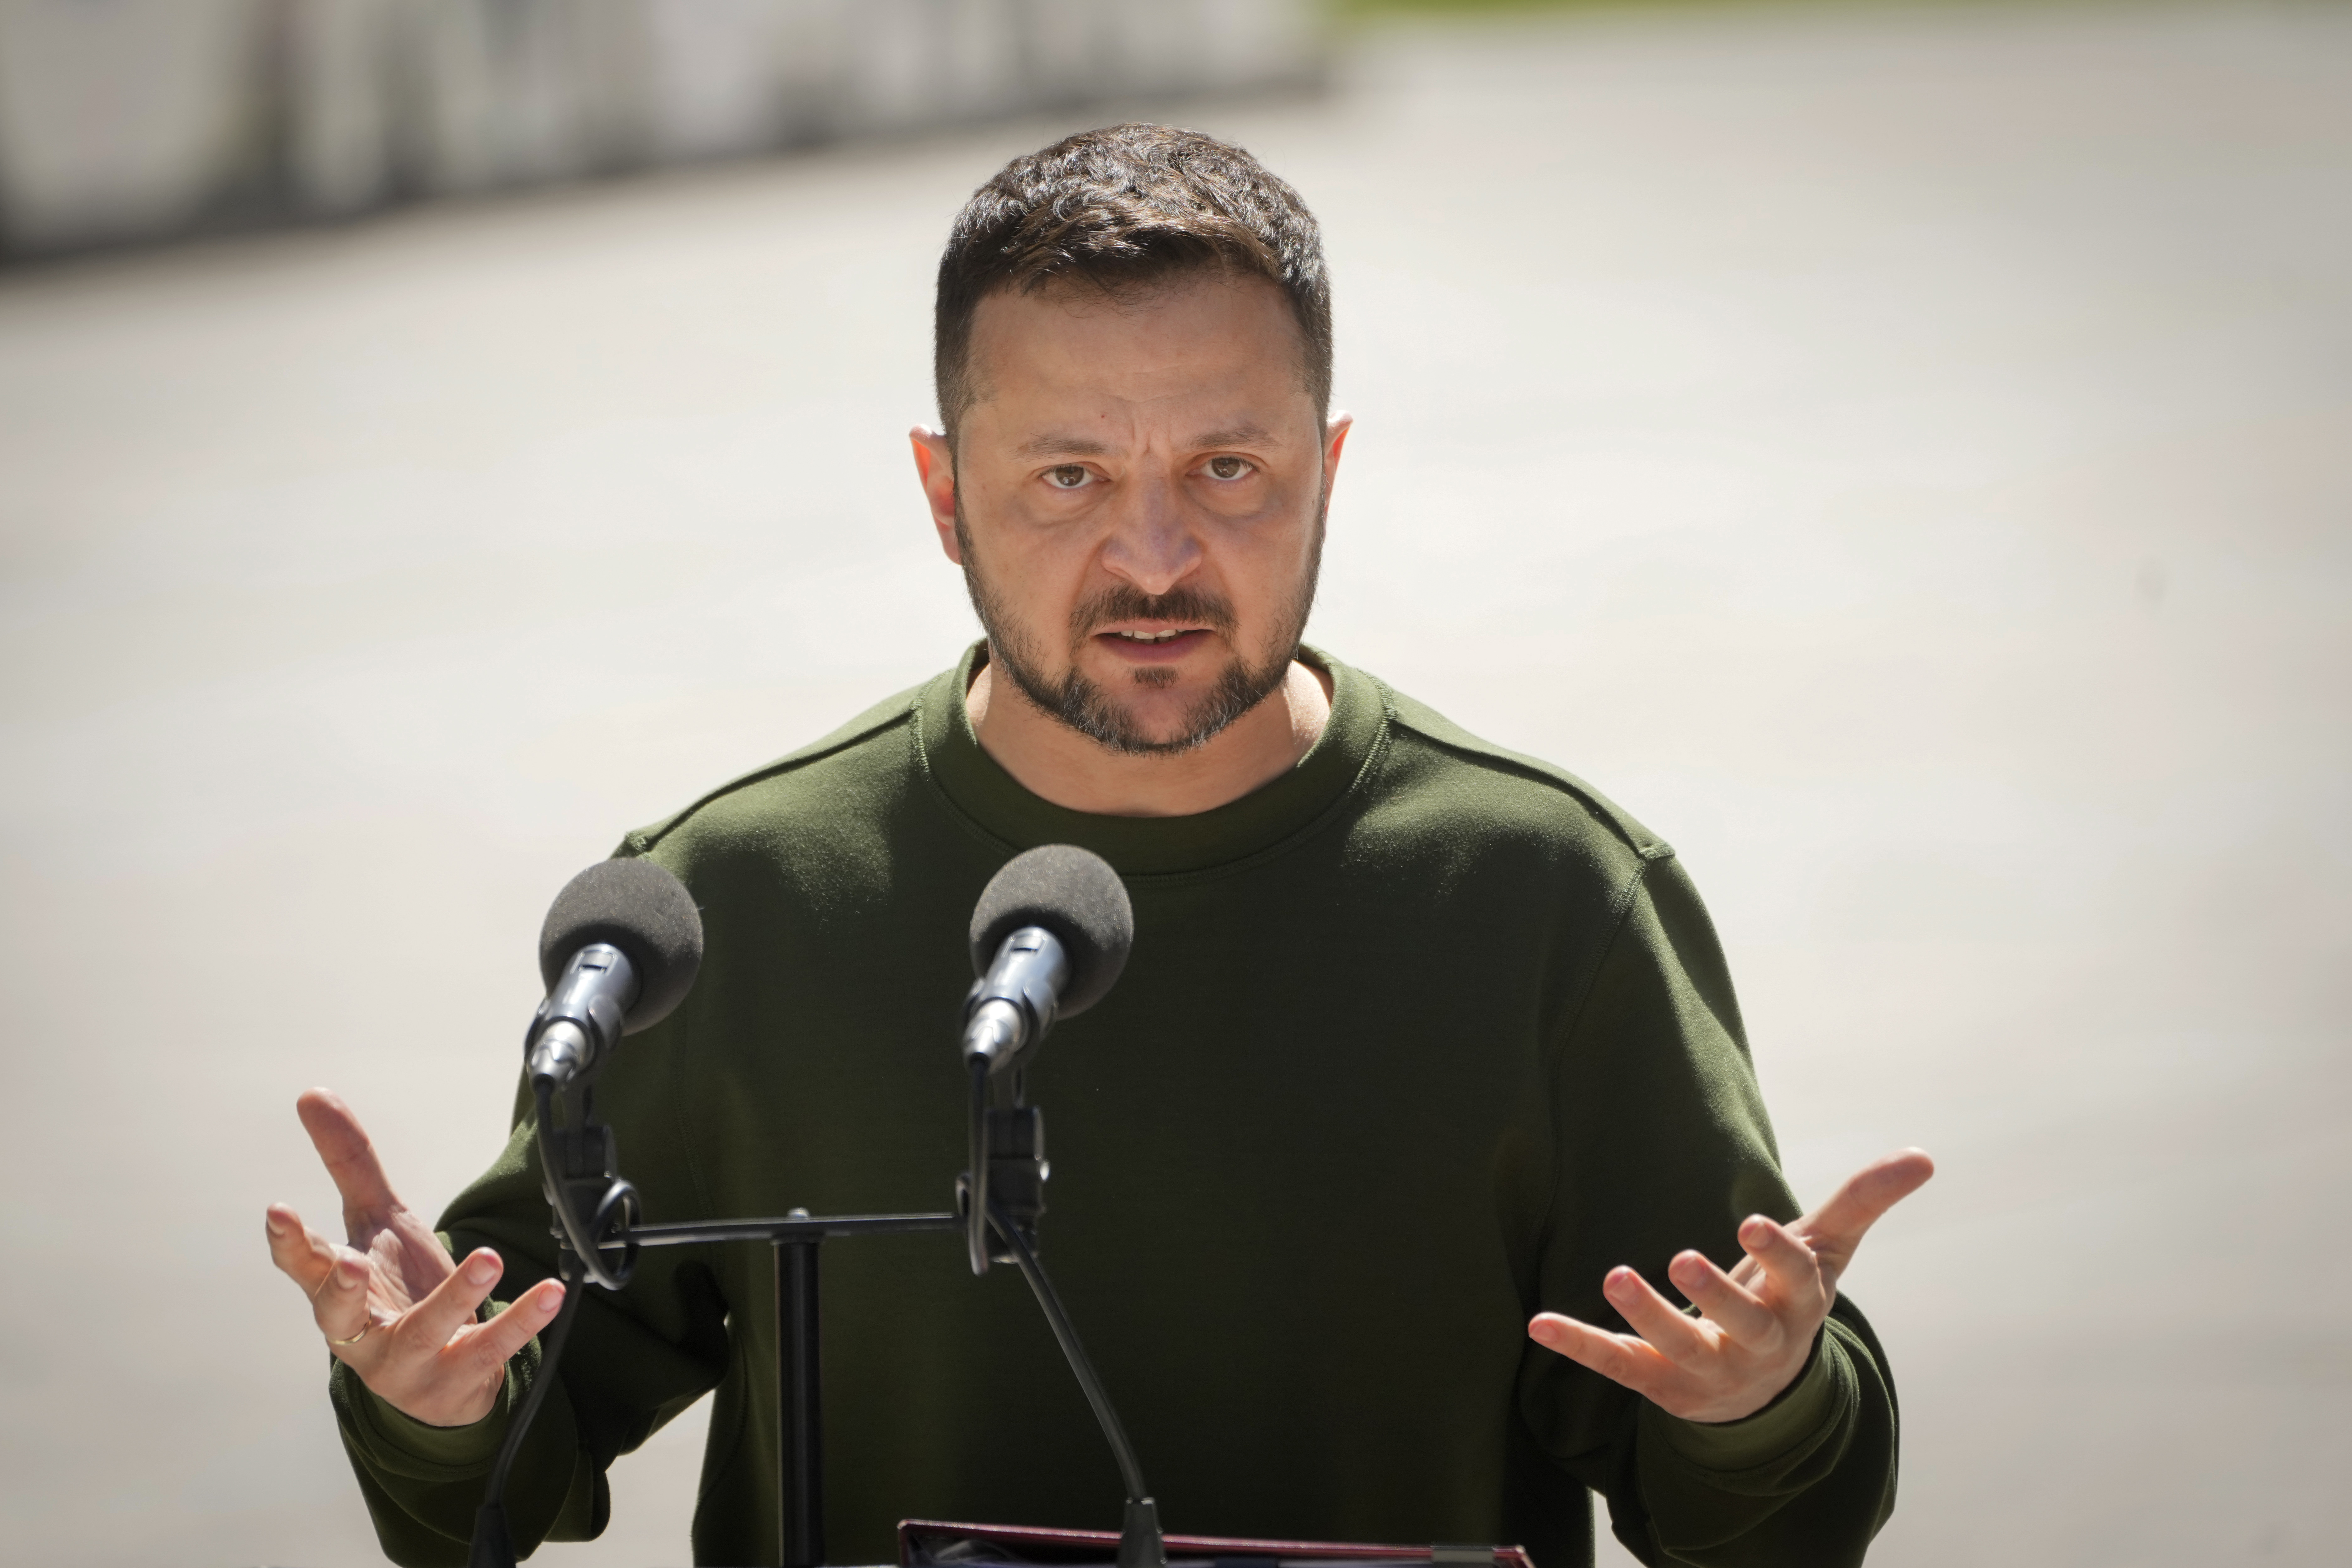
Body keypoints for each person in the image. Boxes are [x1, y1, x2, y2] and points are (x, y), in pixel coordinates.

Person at [264, 125, 1931, 1568]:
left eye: (1228, 467)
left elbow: (1766, 1526)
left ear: (1328, 470)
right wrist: (432, 1402)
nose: (1154, 555)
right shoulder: (733, 904)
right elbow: (507, 1464)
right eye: (1068, 475)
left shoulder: (1545, 895)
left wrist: (1762, 1408)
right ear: (942, 495)